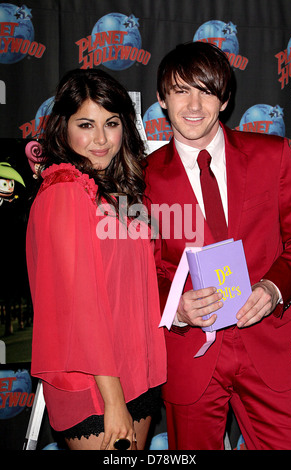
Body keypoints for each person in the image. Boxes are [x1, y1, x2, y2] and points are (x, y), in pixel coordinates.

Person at [145, 41, 291, 450]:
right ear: (162, 99)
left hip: (271, 342)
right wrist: (175, 305)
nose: (194, 105)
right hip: (189, 353)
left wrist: (274, 288)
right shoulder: (139, 179)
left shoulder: (274, 156)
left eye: (207, 90)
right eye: (181, 91)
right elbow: (139, 270)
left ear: (225, 98)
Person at [26, 68, 166, 450]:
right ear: (63, 128)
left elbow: (139, 280)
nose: (101, 139)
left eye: (112, 123)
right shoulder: (65, 191)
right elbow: (79, 307)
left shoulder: (120, 193)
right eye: (86, 124)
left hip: (137, 373)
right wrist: (113, 399)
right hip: (95, 386)